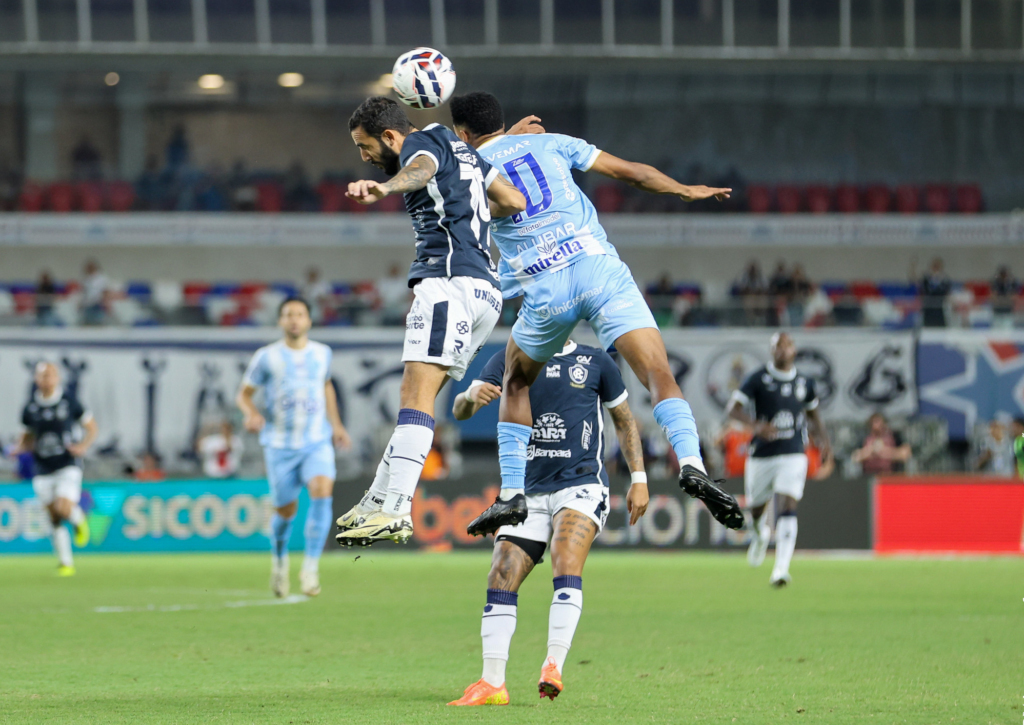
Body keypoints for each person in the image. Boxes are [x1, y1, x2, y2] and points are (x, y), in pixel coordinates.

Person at [446, 91, 743, 538]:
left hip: (545, 286)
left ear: (461, 134)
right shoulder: (551, 142)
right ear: (502, 120)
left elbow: (475, 178)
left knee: (515, 380)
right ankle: (692, 463)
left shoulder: (466, 170)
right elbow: (634, 174)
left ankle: (511, 493)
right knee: (658, 371)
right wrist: (684, 189)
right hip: (597, 270)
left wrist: (497, 141)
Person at [334, 96, 526, 546]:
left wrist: (382, 188)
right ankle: (377, 500)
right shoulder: (465, 153)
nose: (363, 158)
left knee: (413, 398)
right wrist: (468, 203)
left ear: (389, 136)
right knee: (417, 404)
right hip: (486, 294)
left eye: (365, 147)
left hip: (448, 282)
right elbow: (514, 200)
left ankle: (396, 509)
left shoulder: (421, 144)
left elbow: (419, 169)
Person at [447, 340, 648, 706]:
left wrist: (639, 478)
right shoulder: (509, 356)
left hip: (581, 485)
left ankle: (553, 665)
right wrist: (472, 393)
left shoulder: (595, 360)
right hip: (527, 492)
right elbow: (460, 411)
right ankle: (492, 684)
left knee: (565, 556)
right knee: (501, 571)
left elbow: (624, 419)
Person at [237, 297, 352, 597]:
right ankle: (279, 562)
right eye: (288, 314)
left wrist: (336, 425)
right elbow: (244, 394)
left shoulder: (322, 354)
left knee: (322, 490)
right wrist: (251, 413)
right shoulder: (266, 357)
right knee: (285, 513)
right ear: (280, 321)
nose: (294, 319)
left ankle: (311, 569)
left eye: (300, 314)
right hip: (279, 445)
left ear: (309, 321)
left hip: (316, 441)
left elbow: (326, 386)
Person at [726, 332, 831, 588]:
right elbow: (733, 409)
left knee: (787, 505)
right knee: (757, 508)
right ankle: (760, 533)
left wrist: (824, 440)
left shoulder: (805, 382)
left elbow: (813, 413)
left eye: (787, 344)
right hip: (761, 454)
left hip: (794, 452)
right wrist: (756, 426)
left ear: (794, 350)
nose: (783, 349)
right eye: (777, 346)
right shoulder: (758, 378)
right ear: (771, 351)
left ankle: (781, 569)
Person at [10, 362, 98, 576]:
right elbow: (27, 437)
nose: (46, 380)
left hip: (67, 464)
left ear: (57, 378)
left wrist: (83, 446)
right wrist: (18, 448)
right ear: (36, 380)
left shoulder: (69, 401)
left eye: (50, 375)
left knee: (62, 507)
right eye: (42, 376)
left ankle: (79, 519)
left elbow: (92, 427)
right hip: (42, 467)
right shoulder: (30, 408)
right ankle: (66, 562)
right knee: (54, 517)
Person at [919, 257, 951, 328]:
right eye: (934, 266)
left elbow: (946, 292)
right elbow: (923, 291)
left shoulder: (945, 279)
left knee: (940, 328)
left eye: (938, 266)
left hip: (939, 307)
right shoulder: (926, 279)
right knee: (928, 328)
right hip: (928, 307)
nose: (936, 268)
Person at [80, 259, 108, 326]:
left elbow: (105, 291)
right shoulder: (86, 279)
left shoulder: (102, 278)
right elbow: (85, 293)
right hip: (87, 305)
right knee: (87, 323)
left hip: (98, 305)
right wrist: (82, 303)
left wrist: (104, 302)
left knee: (98, 323)